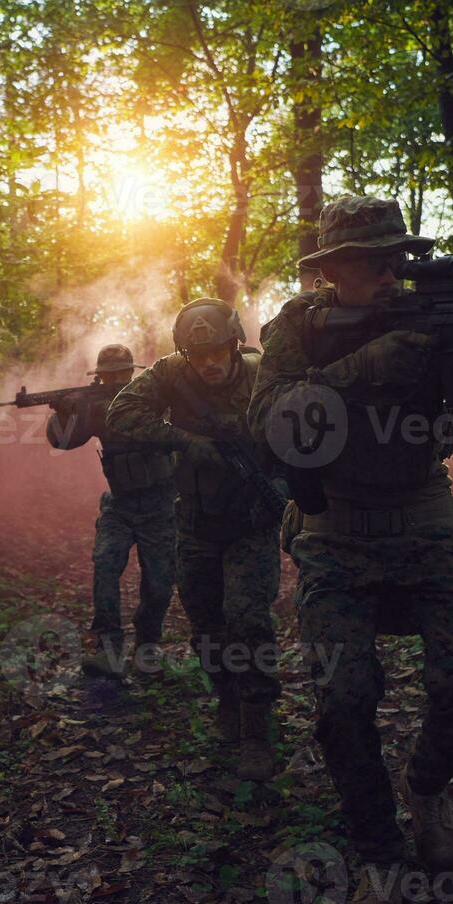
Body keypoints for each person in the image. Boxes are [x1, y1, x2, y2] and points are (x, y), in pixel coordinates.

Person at [248, 195, 453, 904]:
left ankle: (427, 789)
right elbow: (267, 423)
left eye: (393, 261)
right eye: (365, 263)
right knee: (343, 702)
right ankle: (380, 858)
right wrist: (363, 365)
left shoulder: (436, 321)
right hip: (333, 533)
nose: (384, 275)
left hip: (426, 521)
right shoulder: (296, 330)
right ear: (330, 272)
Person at [105, 301, 283, 781]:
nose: (207, 363)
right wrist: (183, 440)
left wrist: (284, 491)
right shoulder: (170, 373)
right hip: (198, 522)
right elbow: (121, 414)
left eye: (216, 351)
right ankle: (227, 698)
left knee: (247, 617)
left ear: (233, 344)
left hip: (252, 519)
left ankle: (257, 727)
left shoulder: (262, 374)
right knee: (205, 621)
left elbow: (301, 435)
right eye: (197, 353)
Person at [48, 344, 176, 682]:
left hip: (160, 503)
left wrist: (99, 409)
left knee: (160, 583)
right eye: (110, 375)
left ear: (132, 373)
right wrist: (65, 413)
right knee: (105, 566)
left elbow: (159, 424)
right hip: (119, 503)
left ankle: (148, 647)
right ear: (101, 376)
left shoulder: (153, 397)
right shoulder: (93, 406)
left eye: (123, 373)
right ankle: (108, 648)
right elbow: (62, 442)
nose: (117, 379)